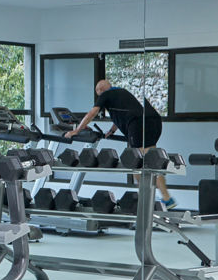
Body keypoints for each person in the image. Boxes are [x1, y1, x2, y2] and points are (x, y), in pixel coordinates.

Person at [64, 79, 176, 209]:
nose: (98, 95)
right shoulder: (122, 92)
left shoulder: (105, 94)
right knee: (150, 160)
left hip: (139, 125)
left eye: (97, 92)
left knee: (141, 164)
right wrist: (112, 131)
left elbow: (92, 113)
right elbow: (123, 114)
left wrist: (76, 131)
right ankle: (162, 199)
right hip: (153, 122)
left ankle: (150, 201)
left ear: (100, 90)